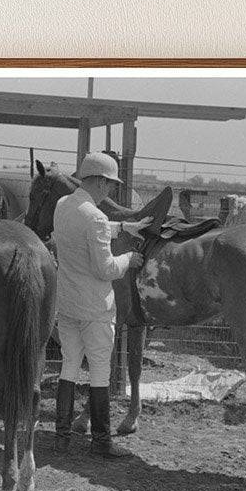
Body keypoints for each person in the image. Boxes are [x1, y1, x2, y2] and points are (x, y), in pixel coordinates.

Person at [52, 152, 144, 458]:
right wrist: (130, 259)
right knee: (100, 371)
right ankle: (102, 441)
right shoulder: (97, 218)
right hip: (95, 308)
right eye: (110, 184)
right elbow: (106, 269)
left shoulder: (62, 205)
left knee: (69, 366)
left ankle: (62, 436)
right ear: (101, 181)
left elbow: (86, 228)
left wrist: (120, 228)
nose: (111, 191)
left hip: (67, 304)